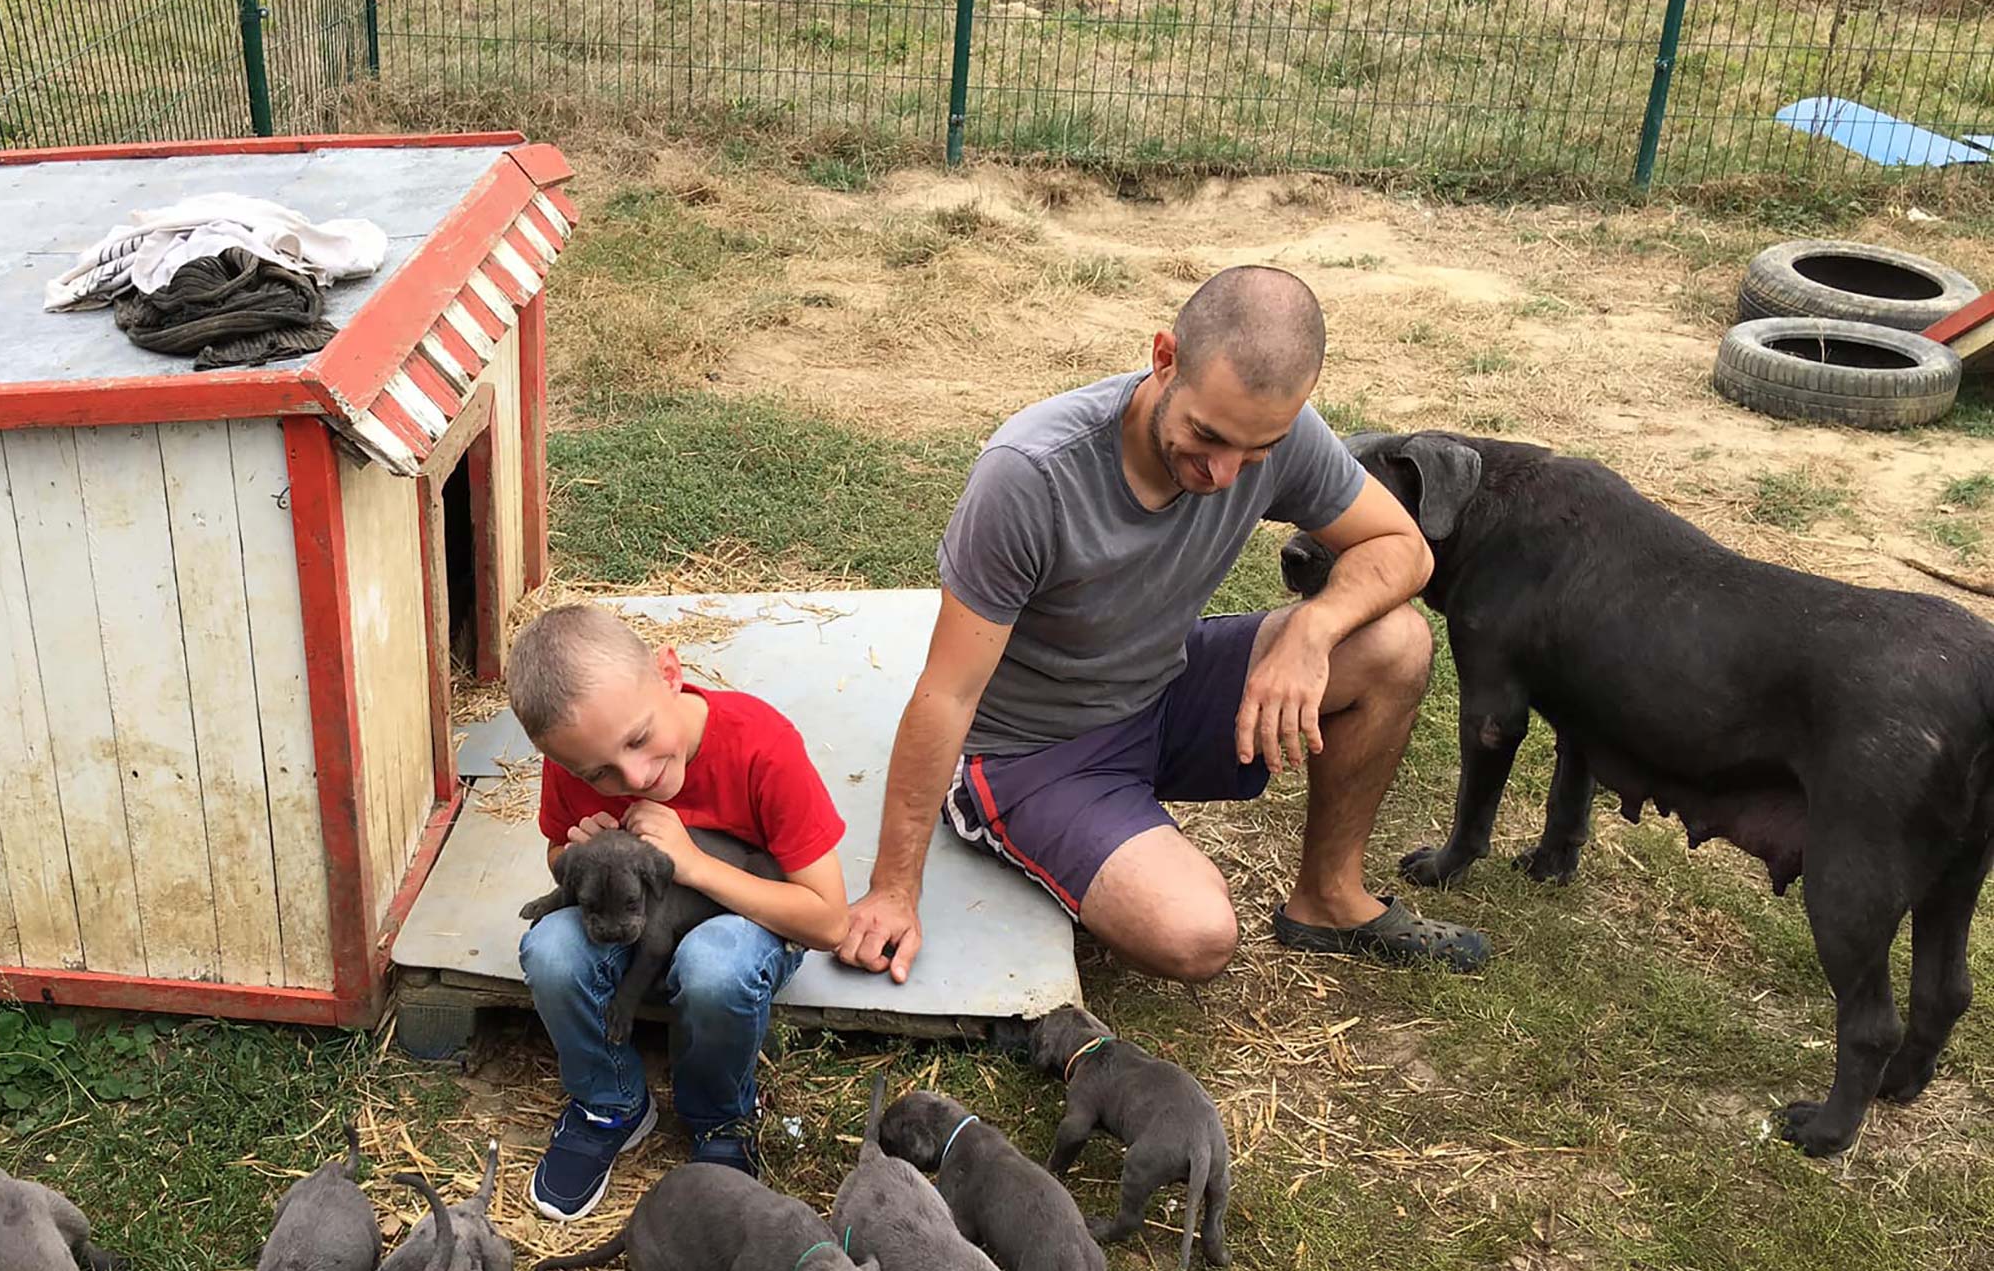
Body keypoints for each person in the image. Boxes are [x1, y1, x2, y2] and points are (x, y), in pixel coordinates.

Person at [835, 265, 1486, 985]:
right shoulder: (1030, 475)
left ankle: (1329, 898)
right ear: (1164, 357)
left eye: (1256, 451)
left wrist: (1314, 629)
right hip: (1036, 751)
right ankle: (1015, 818)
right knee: (1197, 934)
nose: (1224, 473)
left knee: (1397, 643)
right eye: (1206, 436)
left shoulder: (1270, 430)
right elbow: (947, 694)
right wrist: (895, 889)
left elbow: (1404, 548)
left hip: (1163, 688)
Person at [508, 605, 850, 1219]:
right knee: (551, 949)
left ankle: (719, 1118)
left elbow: (828, 922)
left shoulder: (762, 744)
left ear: (669, 671)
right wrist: (575, 853)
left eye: (639, 739)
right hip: (643, 919)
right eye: (599, 773)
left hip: (751, 919)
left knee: (715, 965)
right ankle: (608, 1103)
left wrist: (693, 866)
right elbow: (559, 852)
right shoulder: (573, 762)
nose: (634, 775)